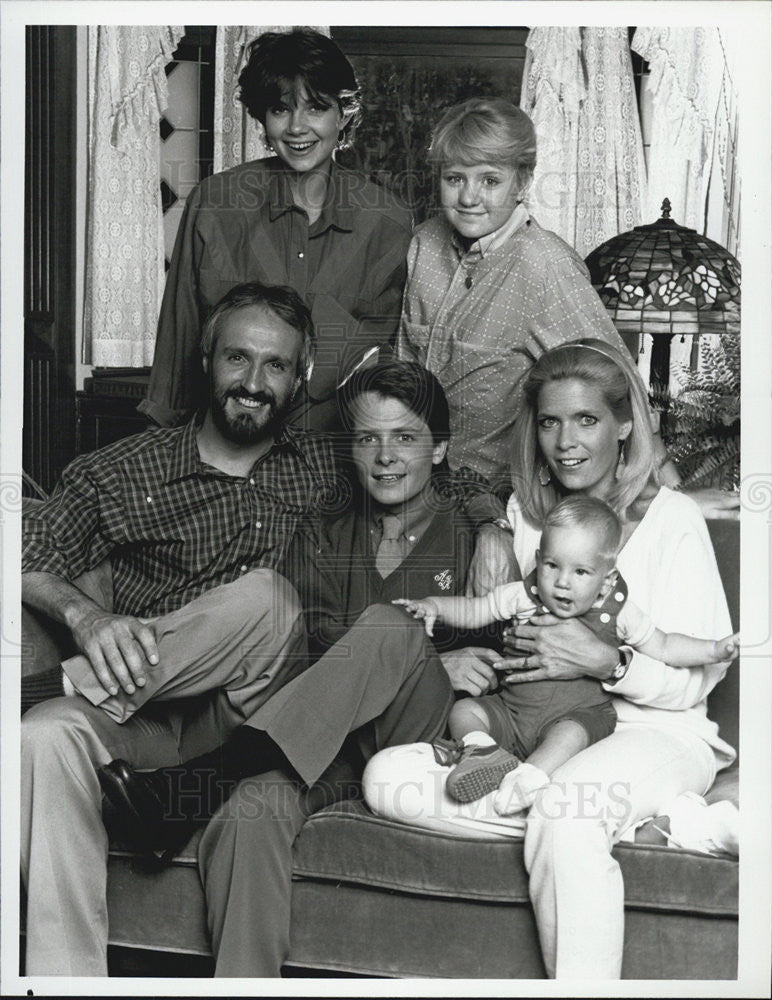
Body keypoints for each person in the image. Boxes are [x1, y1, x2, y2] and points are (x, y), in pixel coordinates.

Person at [98, 360, 501, 977]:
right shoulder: (323, 531)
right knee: (248, 813)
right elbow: (302, 655)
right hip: (321, 746)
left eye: (406, 438)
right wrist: (403, 655)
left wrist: (429, 659)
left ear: (440, 449)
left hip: (418, 744)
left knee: (392, 627)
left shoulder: (476, 538)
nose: (386, 457)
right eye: (369, 438)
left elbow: (501, 662)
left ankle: (199, 782)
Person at [363, 339, 737, 979]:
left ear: (624, 426)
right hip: (534, 733)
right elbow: (498, 610)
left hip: (657, 731)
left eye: (587, 420)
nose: (566, 440)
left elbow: (697, 681)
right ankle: (625, 819)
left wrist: (607, 662)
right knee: (386, 777)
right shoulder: (528, 517)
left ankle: (580, 818)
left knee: (569, 812)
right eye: (549, 421)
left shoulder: (674, 520)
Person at [20, 281, 339, 976]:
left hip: (249, 728)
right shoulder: (131, 468)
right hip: (147, 728)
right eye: (238, 359)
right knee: (39, 736)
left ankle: (59, 683)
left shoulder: (327, 469)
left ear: (302, 375)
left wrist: (492, 528)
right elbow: (24, 546)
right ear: (206, 357)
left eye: (275, 366)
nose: (253, 384)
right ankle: (65, 981)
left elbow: (431, 471)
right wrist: (85, 613)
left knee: (266, 600)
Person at [397, 96, 740, 527]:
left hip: (501, 505)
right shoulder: (424, 245)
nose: (469, 197)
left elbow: (619, 382)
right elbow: (403, 378)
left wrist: (670, 501)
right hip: (418, 493)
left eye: (490, 181)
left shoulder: (544, 264)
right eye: (454, 178)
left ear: (521, 183)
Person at [140, 28, 412, 432]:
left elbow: (381, 363)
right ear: (262, 119)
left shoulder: (387, 221)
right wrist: (160, 441)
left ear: (343, 112)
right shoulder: (216, 203)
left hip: (330, 459)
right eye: (281, 110)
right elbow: (179, 339)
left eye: (316, 108)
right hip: (222, 447)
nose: (297, 127)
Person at [396, 495, 738, 808]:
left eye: (581, 572)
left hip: (576, 715)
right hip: (511, 710)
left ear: (606, 580)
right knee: (466, 710)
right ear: (538, 561)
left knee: (569, 736)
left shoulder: (618, 612)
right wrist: (434, 606)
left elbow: (665, 646)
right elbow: (476, 609)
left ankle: (528, 779)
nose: (562, 582)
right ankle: (481, 749)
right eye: (552, 566)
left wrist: (713, 649)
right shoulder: (523, 596)